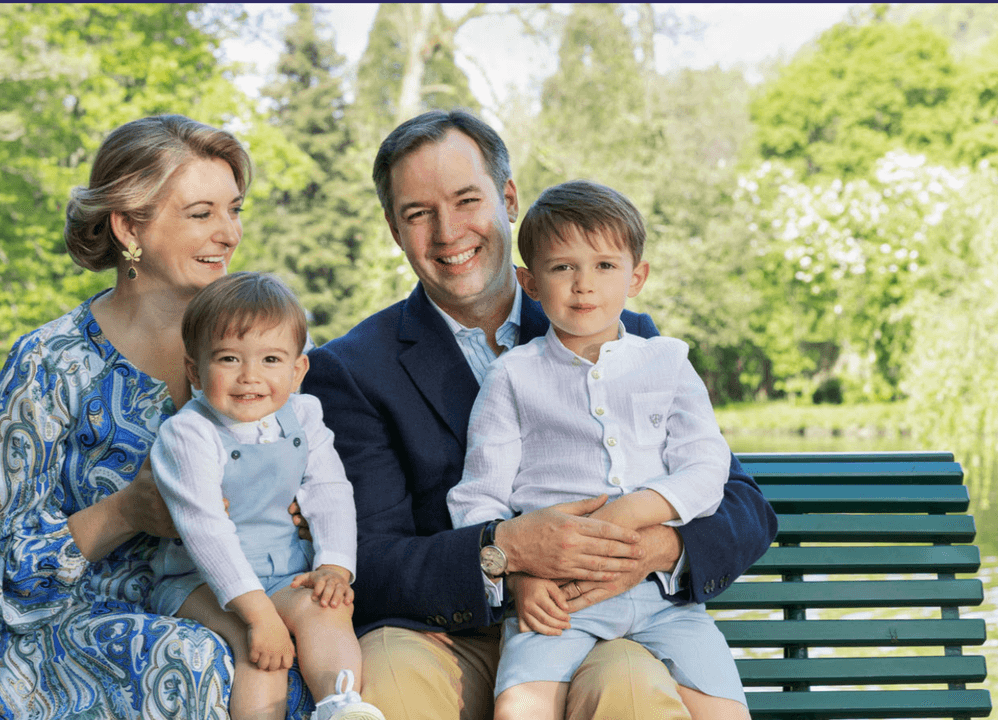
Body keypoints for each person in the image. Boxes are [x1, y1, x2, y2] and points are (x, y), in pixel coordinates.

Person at [300, 109, 778, 720]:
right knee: (389, 675)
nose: (448, 232)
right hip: (448, 635)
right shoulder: (352, 369)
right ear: (395, 229)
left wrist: (653, 548)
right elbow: (372, 556)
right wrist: (504, 555)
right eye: (419, 213)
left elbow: (739, 502)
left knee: (628, 685)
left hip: (599, 616)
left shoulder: (626, 337)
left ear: (507, 199)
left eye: (466, 200)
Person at [0, 115, 315, 719]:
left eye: (234, 210)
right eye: (201, 213)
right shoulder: (50, 363)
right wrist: (129, 511)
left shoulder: (261, 358)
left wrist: (301, 511)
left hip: (240, 612)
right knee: (200, 657)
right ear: (129, 226)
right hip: (70, 646)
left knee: (305, 654)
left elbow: (313, 489)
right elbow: (3, 569)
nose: (228, 233)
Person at [446, 180, 749, 719]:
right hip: (556, 598)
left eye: (605, 266)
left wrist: (635, 510)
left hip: (664, 599)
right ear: (530, 282)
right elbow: (479, 498)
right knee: (520, 708)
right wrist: (518, 579)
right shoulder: (512, 377)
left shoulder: (668, 362)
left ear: (637, 277)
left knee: (725, 711)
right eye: (563, 267)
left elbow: (707, 467)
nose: (584, 285)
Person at [150, 271, 384, 720]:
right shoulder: (188, 433)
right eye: (229, 359)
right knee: (260, 649)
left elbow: (329, 490)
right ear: (195, 370)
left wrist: (334, 565)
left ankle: (341, 705)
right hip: (198, 582)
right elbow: (206, 531)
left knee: (325, 608)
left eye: (271, 360)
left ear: (298, 370)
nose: (250, 377)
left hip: (281, 570)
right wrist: (259, 616)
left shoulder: (303, 415)